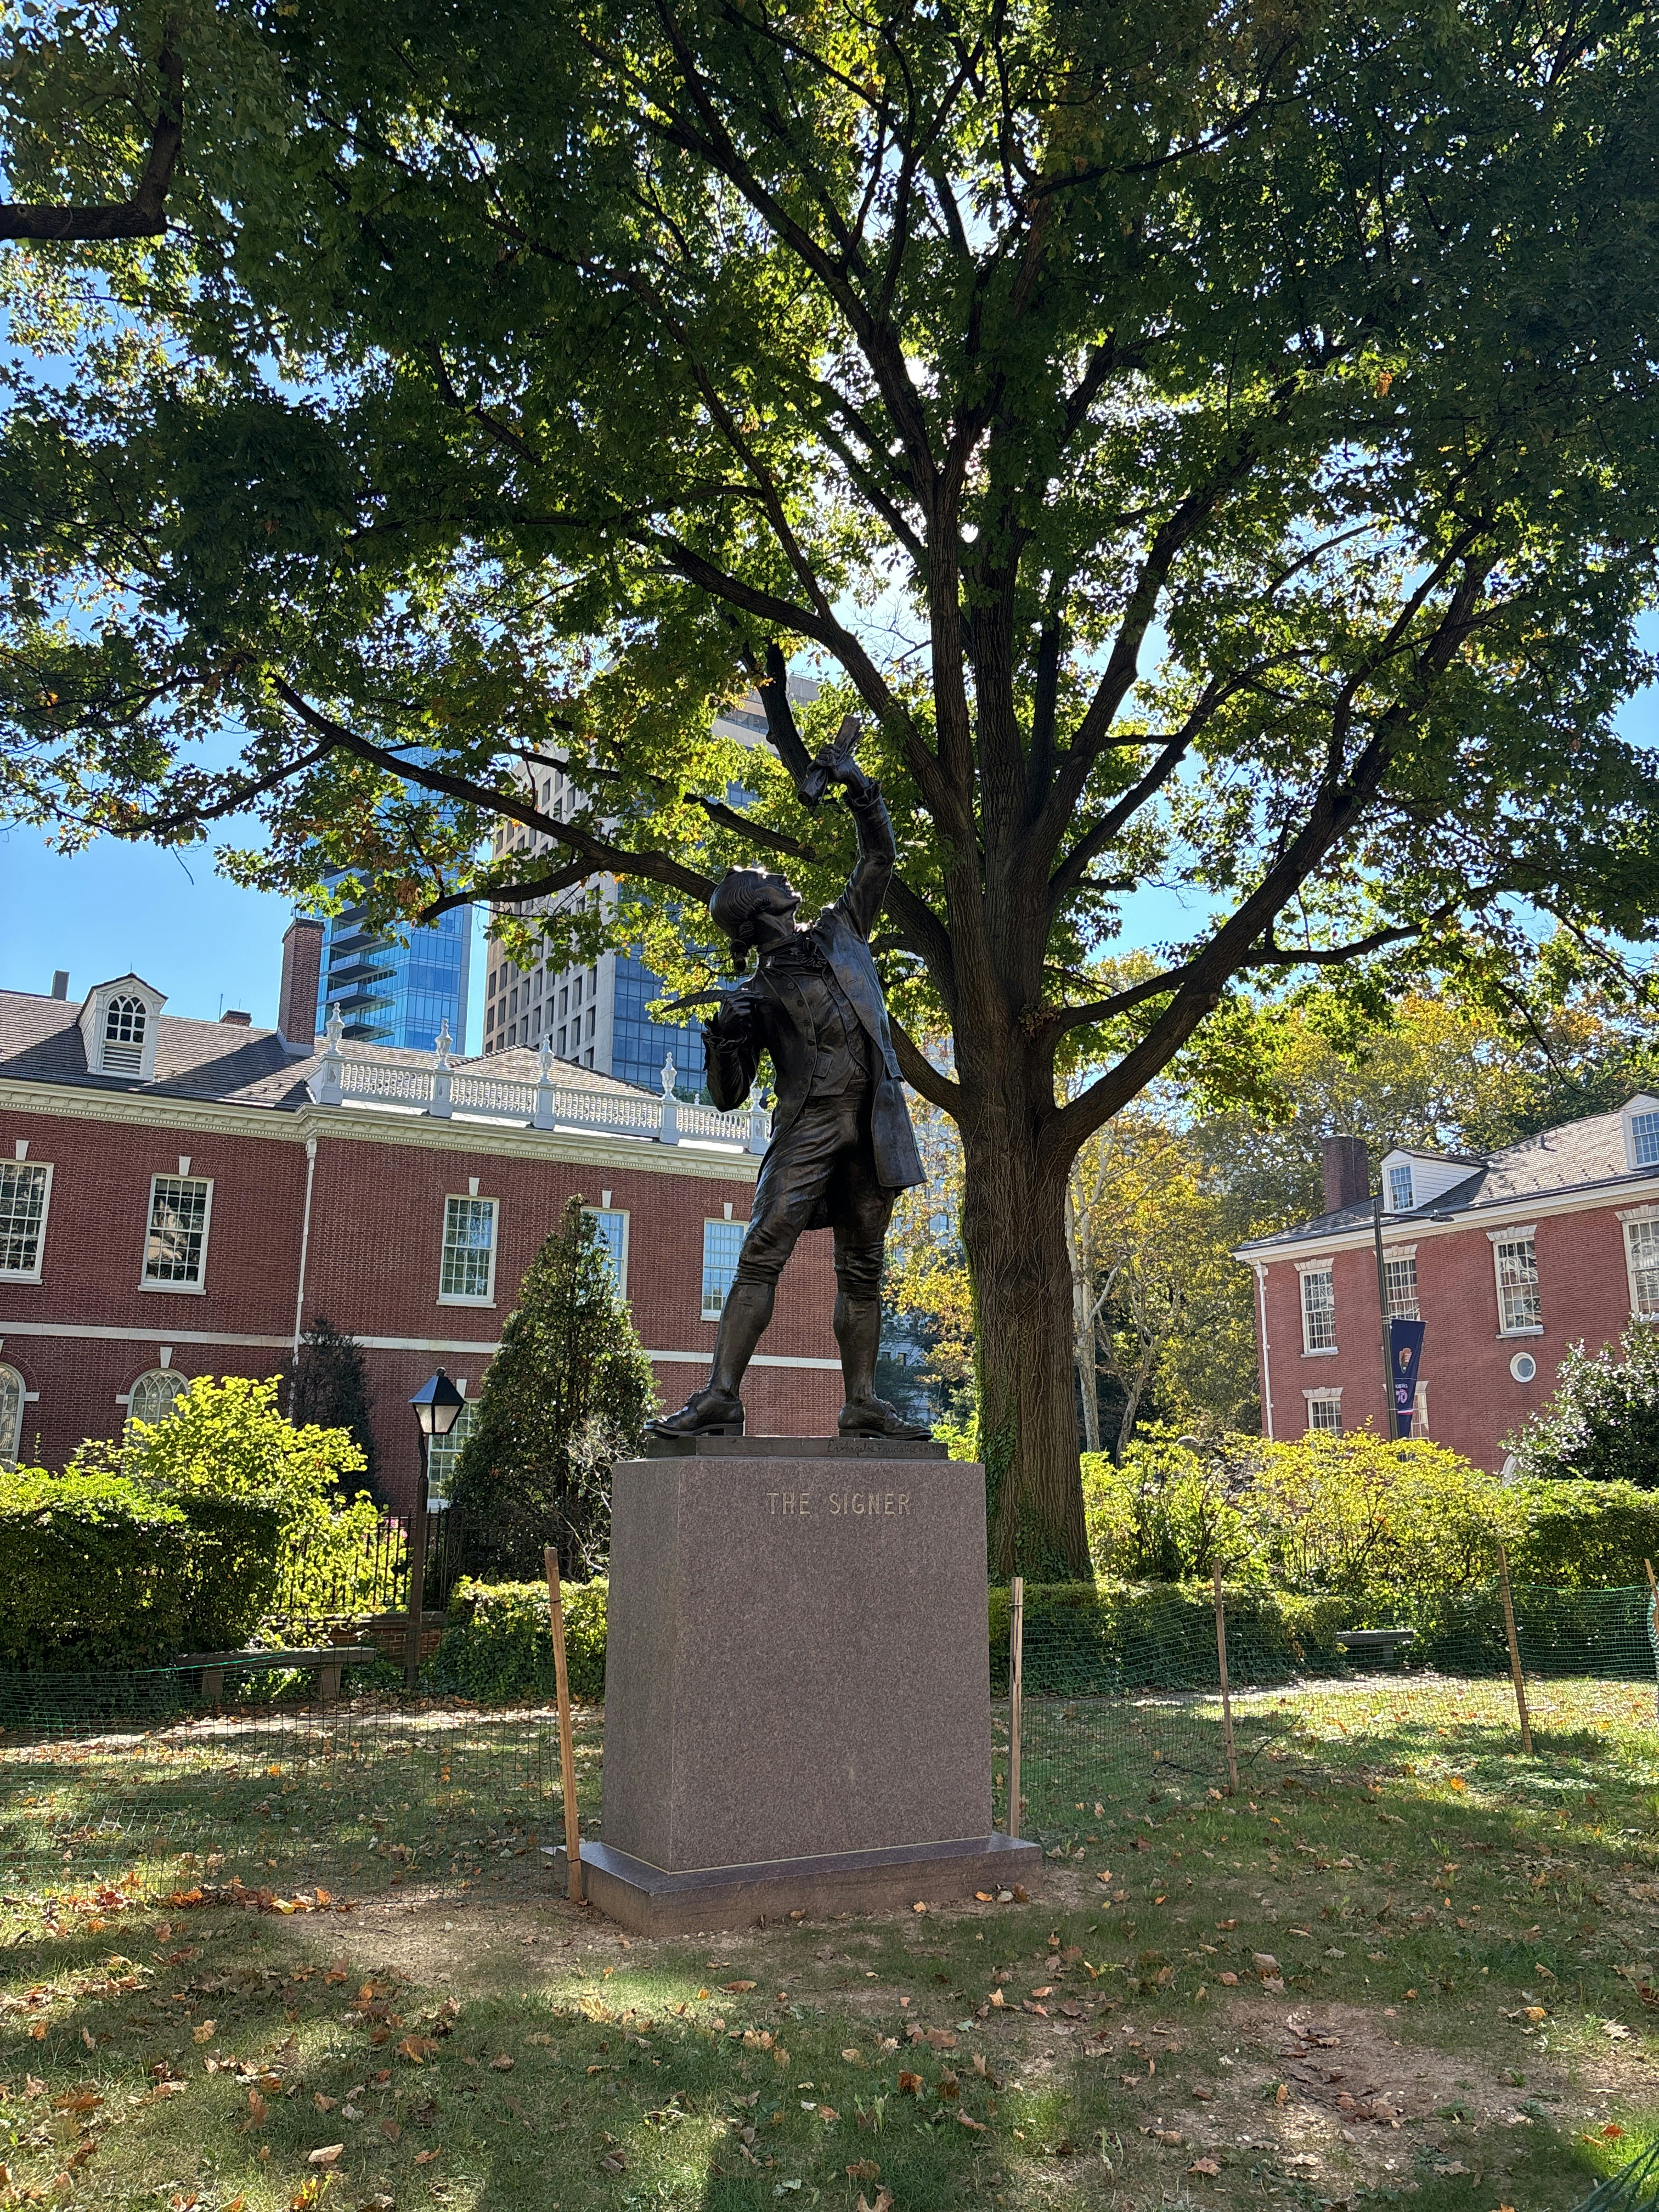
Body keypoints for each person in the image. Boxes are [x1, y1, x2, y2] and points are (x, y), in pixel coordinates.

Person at [652, 753, 929, 1440]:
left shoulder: (842, 930)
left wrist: (862, 788)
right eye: (763, 878)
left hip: (875, 1120)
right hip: (810, 1123)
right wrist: (721, 1042)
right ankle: (722, 1394)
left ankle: (861, 1400)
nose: (777, 874)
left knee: (863, 1264)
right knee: (762, 1248)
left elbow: (879, 858)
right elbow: (728, 1095)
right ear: (757, 909)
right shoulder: (750, 995)